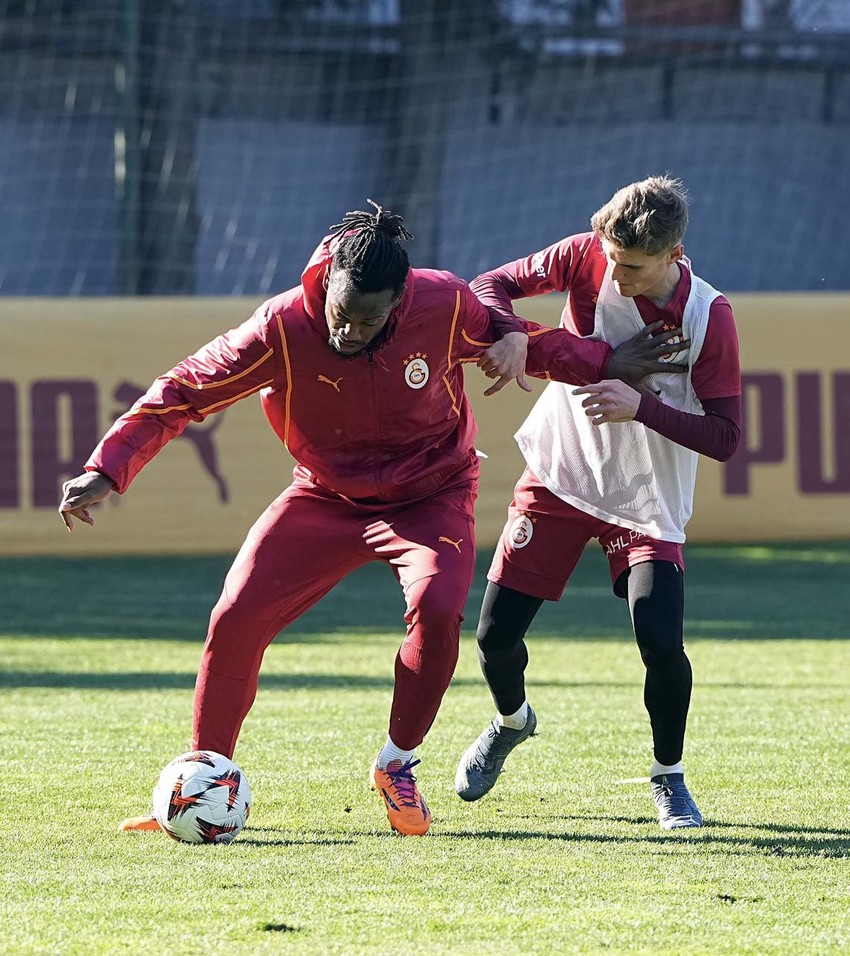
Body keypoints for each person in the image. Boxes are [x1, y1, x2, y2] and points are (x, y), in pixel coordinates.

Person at [59, 201, 683, 837]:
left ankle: (397, 763)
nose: (348, 332)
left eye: (368, 319)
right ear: (325, 284)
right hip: (323, 496)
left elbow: (526, 341)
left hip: (432, 494)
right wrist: (106, 469)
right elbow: (181, 391)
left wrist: (607, 363)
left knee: (440, 610)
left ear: (399, 302)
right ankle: (206, 774)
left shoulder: (440, 305)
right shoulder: (280, 327)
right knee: (235, 614)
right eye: (341, 313)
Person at [455, 176, 742, 830]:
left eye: (633, 266)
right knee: (495, 637)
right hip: (562, 472)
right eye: (611, 258)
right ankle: (511, 723)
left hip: (647, 498)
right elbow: (486, 287)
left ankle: (669, 777)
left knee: (660, 642)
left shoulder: (707, 316)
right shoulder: (587, 253)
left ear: (675, 253)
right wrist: (518, 337)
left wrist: (640, 403)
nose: (615, 272)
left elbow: (725, 440)